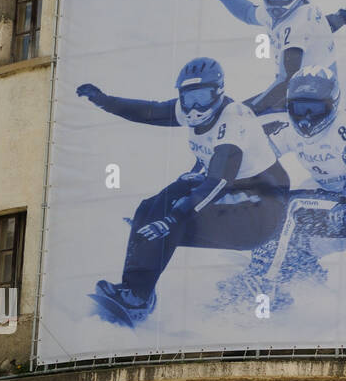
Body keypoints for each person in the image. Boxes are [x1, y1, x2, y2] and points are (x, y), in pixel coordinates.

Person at [76, 57, 290, 327]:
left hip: (261, 212)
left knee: (173, 216)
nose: (195, 107)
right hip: (234, 193)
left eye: (203, 97)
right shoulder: (190, 110)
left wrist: (173, 218)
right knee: (148, 209)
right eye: (189, 98)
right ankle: (134, 292)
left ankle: (138, 299)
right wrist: (104, 101)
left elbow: (218, 181)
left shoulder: (233, 120)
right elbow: (150, 112)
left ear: (219, 93)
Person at [218, 66, 346, 309]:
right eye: (298, 108)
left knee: (290, 208)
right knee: (276, 211)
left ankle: (264, 280)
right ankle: (302, 277)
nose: (305, 119)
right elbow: (263, 157)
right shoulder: (291, 130)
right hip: (337, 201)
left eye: (315, 110)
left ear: (333, 105)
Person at [187, 0, 336, 115]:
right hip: (313, 88)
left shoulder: (298, 24)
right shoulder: (293, 9)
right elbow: (248, 13)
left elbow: (287, 82)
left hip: (310, 97)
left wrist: (243, 111)